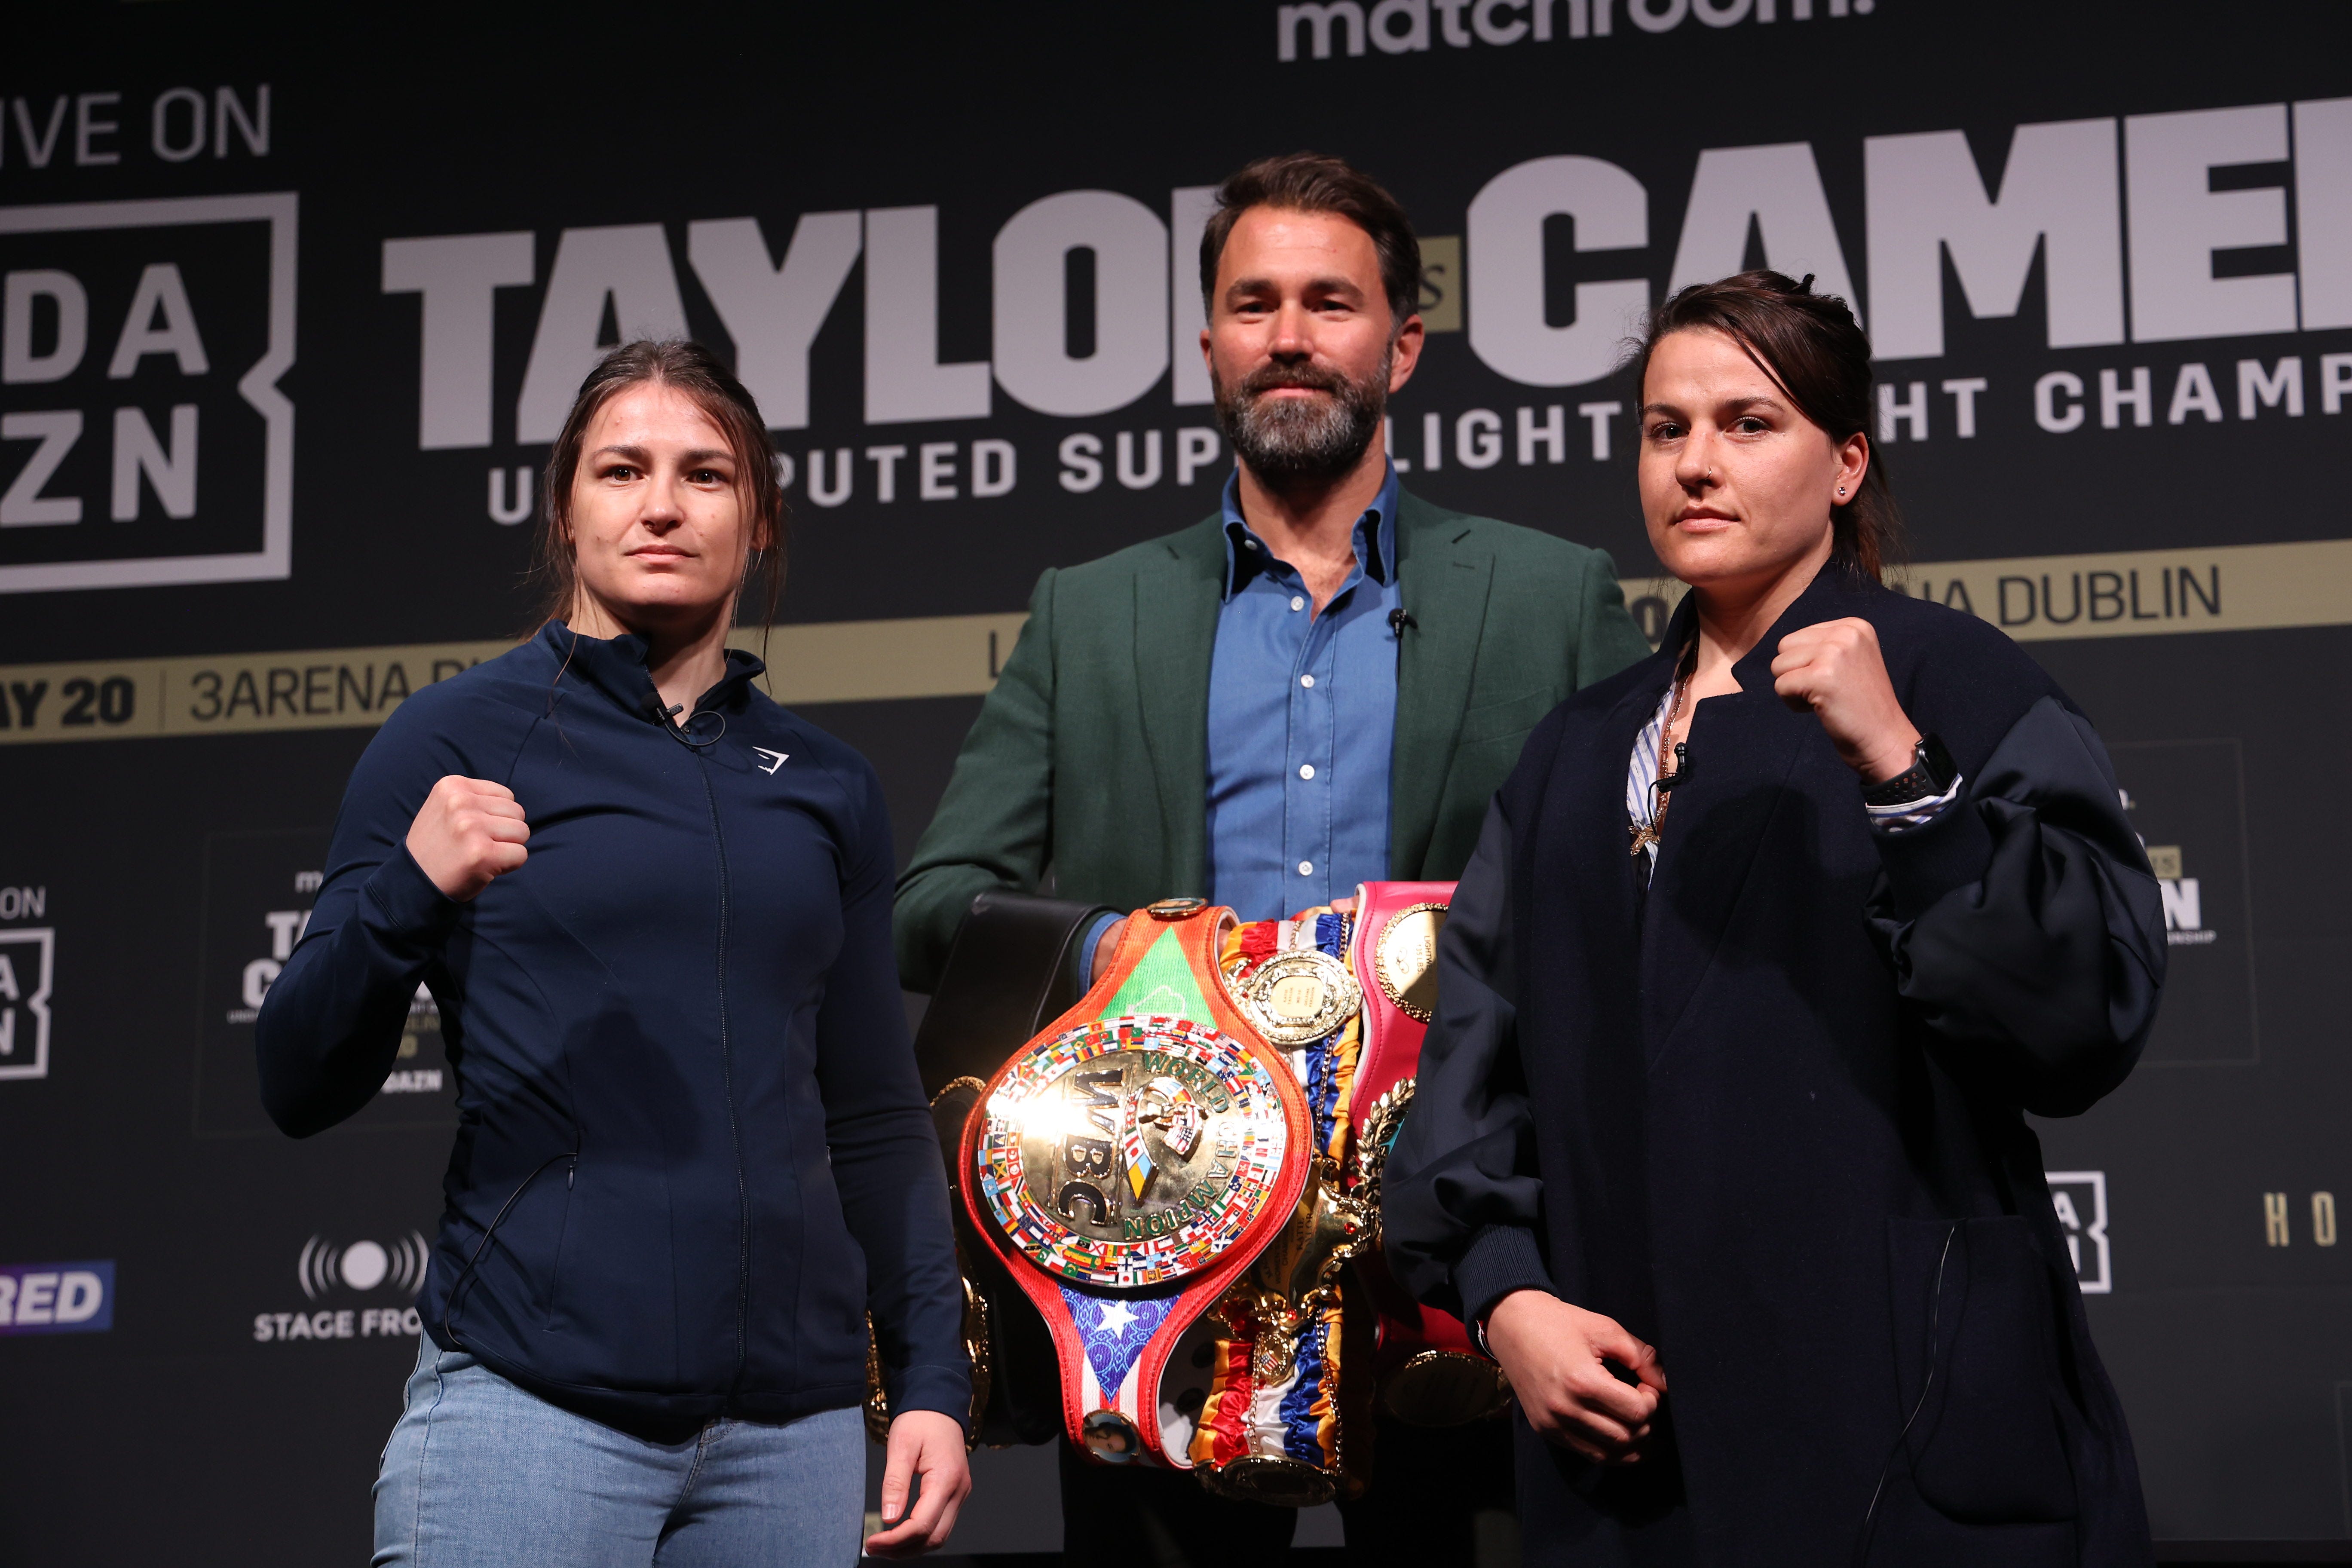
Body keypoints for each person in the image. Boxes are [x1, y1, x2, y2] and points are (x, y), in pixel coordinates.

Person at [894, 153, 1652, 1568]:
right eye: (1255, 304)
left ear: (1402, 344)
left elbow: (1631, 924)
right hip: (1158, 1253)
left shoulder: (1551, 598)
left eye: (1330, 302)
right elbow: (933, 911)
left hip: (1468, 1259)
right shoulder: (1089, 614)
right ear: (1209, 346)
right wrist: (1122, 950)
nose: (1291, 336)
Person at [1381, 270, 2166, 1565]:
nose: (1697, 464)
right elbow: (1474, 1065)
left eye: (1751, 425)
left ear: (1846, 462)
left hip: (1897, 1437)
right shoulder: (1576, 749)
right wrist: (1506, 1292)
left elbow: (2082, 1025)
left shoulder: (1958, 684)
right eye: (1665, 427)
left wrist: (1907, 778)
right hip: (1629, 1455)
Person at [255, 340, 972, 1567]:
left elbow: (873, 1112)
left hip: (788, 1437)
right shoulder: (452, 737)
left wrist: (930, 1382)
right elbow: (296, 1080)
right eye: (620, 470)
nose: (659, 505)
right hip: (531, 1412)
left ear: (758, 523)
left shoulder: (828, 789)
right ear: (565, 512)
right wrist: (406, 895)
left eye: (704, 475)